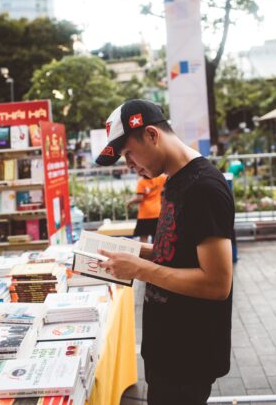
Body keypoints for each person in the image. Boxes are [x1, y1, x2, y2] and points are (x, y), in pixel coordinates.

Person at [95, 99, 234, 405]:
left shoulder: (205, 187)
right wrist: (132, 252)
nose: (129, 165)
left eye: (129, 153)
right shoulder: (174, 180)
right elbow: (174, 249)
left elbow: (217, 283)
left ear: (152, 135)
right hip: (166, 348)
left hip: (188, 356)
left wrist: (139, 269)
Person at [127, 174, 166, 243]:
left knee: (144, 238)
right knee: (157, 237)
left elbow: (139, 198)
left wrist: (129, 202)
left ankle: (145, 253)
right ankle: (156, 253)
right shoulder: (160, 179)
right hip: (157, 212)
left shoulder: (141, 182)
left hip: (145, 214)